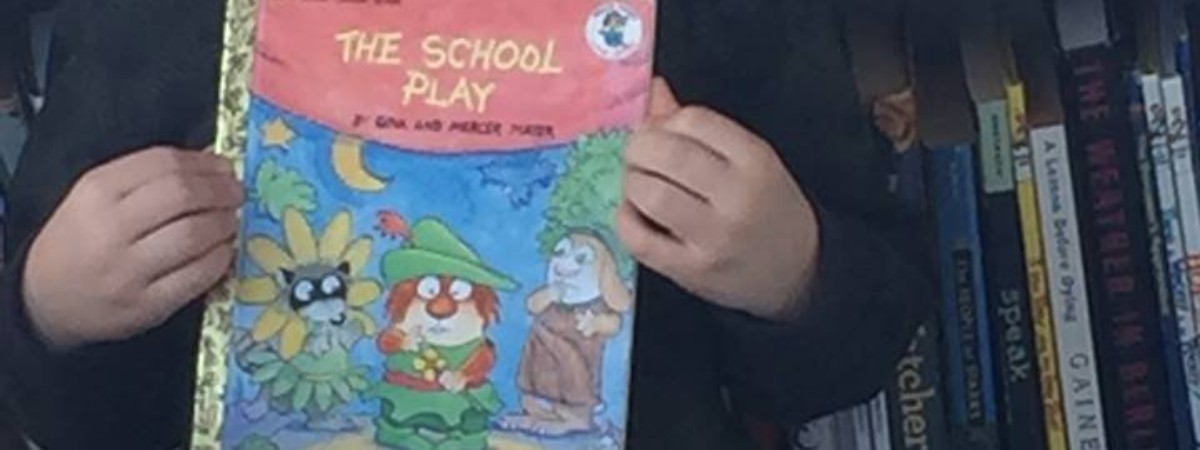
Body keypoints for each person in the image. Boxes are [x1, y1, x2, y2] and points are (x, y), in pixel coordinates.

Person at [0, 0, 936, 449]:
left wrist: (794, 272)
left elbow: (862, 334)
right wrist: (53, 307)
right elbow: (55, 397)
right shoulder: (152, 22)